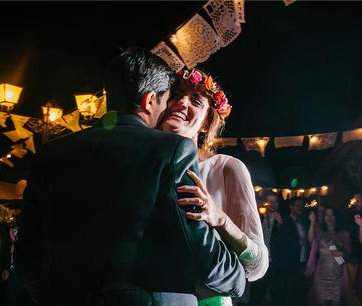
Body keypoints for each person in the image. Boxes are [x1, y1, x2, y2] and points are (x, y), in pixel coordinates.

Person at [16, 47, 246, 306]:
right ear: (150, 100)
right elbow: (198, 248)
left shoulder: (51, 153)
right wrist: (237, 278)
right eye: (167, 99)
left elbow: (27, 258)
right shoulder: (172, 151)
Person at [160, 68, 268, 305]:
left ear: (206, 121)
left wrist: (219, 218)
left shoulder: (225, 168)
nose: (181, 102)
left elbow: (258, 266)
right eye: (176, 94)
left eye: (195, 101)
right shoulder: (150, 163)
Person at [305, 207, 351, 306]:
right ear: (323, 217)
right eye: (327, 215)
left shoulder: (344, 233)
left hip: (338, 276)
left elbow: (349, 256)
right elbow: (310, 240)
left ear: (336, 216)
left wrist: (342, 253)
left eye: (332, 214)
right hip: (321, 276)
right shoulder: (319, 232)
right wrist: (312, 223)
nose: (329, 217)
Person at [268, 197, 308, 306]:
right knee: (287, 293)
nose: (300, 208)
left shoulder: (305, 221)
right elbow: (280, 241)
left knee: (299, 293)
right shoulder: (284, 221)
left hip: (303, 261)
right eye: (298, 205)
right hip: (289, 263)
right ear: (291, 207)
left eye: (302, 206)